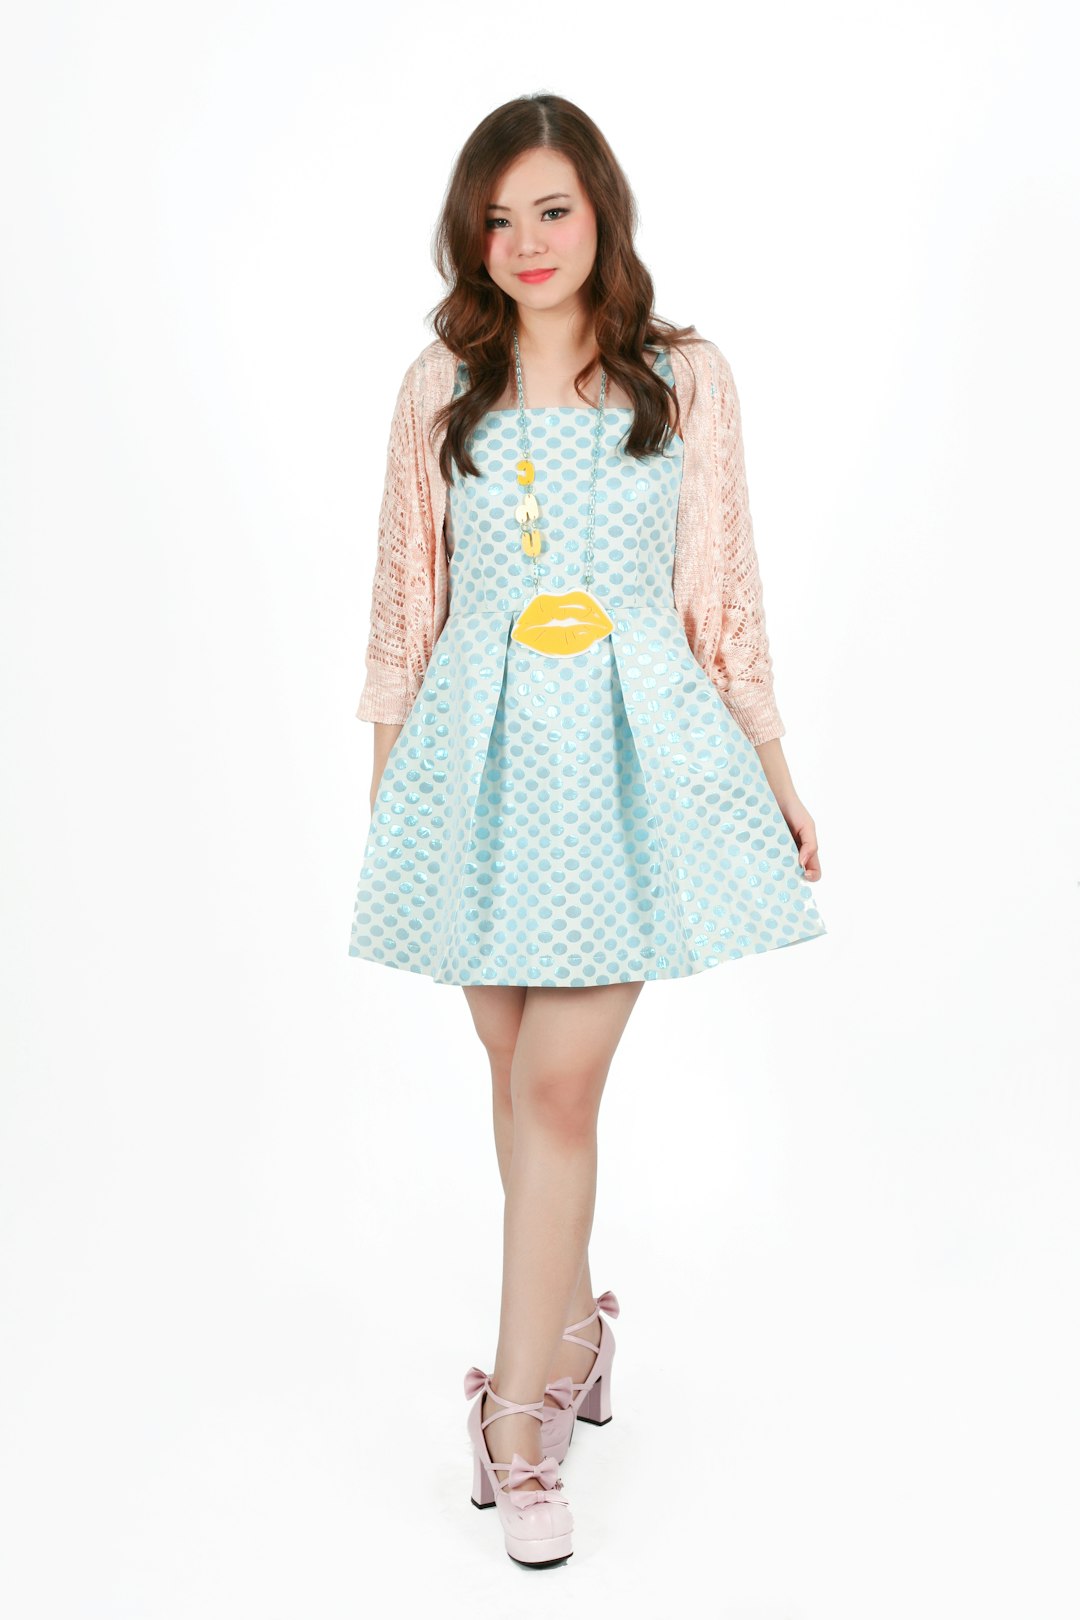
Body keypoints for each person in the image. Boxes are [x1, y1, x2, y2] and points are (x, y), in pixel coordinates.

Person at [348, 92, 827, 1567]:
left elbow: (724, 586)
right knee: (514, 1081)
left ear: (601, 210)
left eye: (551, 209)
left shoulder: (684, 378)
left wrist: (775, 762)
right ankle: (578, 1335)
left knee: (558, 1089)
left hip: (628, 763)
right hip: (474, 763)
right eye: (498, 219)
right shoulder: (444, 383)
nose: (527, 242)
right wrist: (393, 793)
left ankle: (516, 1424)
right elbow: (406, 596)